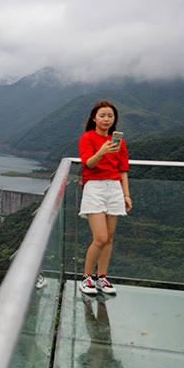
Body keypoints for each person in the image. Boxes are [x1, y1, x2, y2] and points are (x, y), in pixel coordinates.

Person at [78, 100, 131, 296]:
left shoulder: (120, 143)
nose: (106, 119)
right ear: (94, 118)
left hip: (115, 188)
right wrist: (101, 152)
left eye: (110, 115)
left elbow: (123, 170)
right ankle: (86, 277)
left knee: (109, 238)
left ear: (114, 119)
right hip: (94, 188)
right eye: (102, 115)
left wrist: (126, 194)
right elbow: (89, 164)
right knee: (100, 237)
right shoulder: (88, 138)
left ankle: (102, 277)